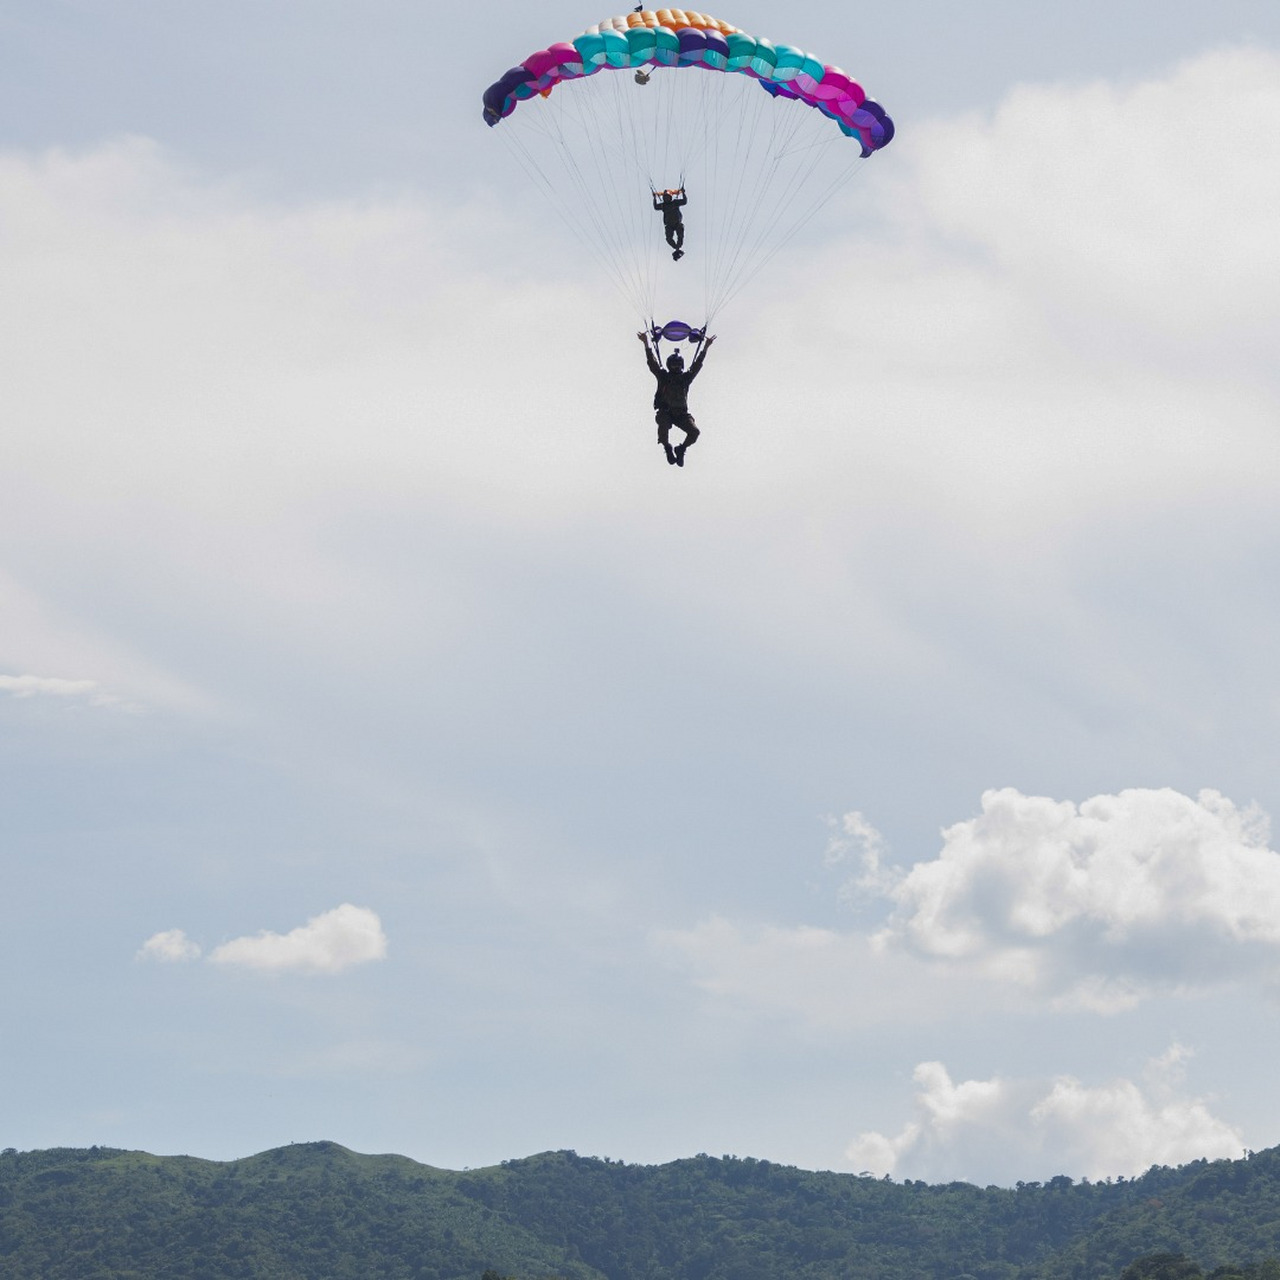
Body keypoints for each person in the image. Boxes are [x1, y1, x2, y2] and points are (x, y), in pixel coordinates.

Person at [637, 330, 716, 466]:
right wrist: (646, 343)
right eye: (674, 364)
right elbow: (652, 363)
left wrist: (706, 347)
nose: (676, 367)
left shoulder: (685, 378)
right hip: (666, 413)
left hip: (681, 414)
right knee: (663, 427)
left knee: (695, 432)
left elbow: (697, 365)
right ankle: (667, 447)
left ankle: (681, 449)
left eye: (678, 365)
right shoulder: (663, 377)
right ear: (669, 365)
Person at [652, 188, 687, 260]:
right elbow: (656, 207)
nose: (666, 199)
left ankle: (678, 247)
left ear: (670, 197)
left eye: (668, 197)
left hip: (677, 224)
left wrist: (683, 193)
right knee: (669, 238)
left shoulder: (675, 203)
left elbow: (684, 201)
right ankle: (676, 247)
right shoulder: (663, 205)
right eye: (665, 197)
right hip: (669, 225)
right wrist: (654, 198)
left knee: (680, 234)